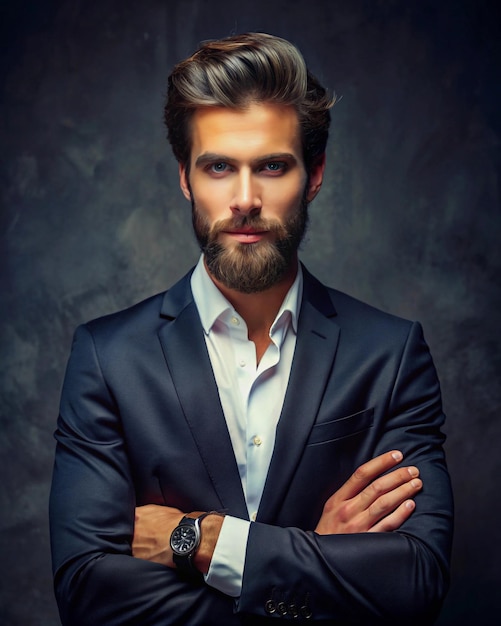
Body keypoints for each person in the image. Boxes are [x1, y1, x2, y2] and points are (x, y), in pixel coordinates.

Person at [49, 32, 453, 625]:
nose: (244, 199)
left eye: (271, 166)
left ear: (313, 176)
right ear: (186, 178)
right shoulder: (107, 358)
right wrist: (316, 556)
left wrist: (201, 539)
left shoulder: (390, 356)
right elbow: (88, 594)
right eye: (218, 166)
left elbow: (416, 581)